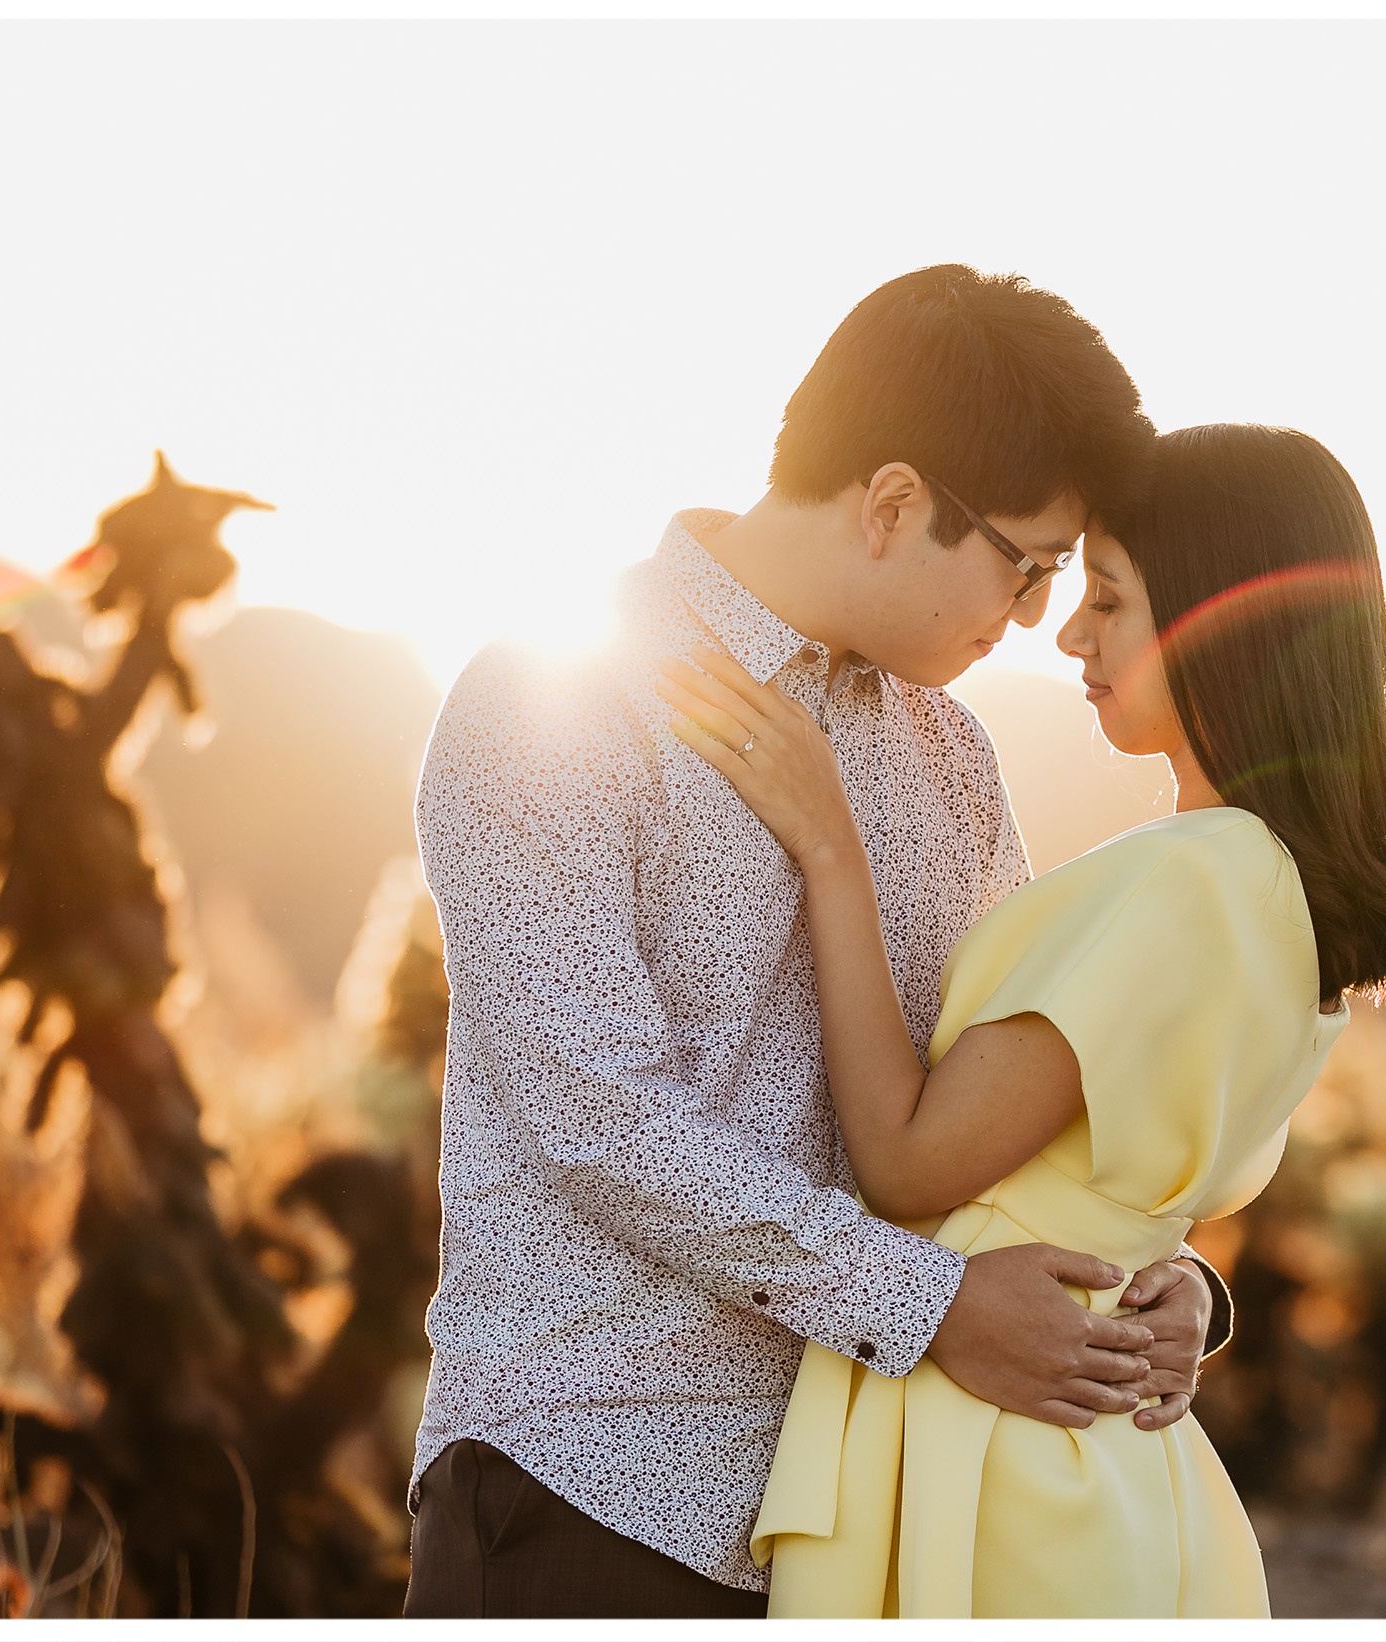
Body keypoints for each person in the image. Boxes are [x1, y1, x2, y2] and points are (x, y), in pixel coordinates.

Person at [401, 266, 1238, 1618]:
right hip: (591, 1501)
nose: (1032, 618)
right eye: (1025, 566)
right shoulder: (551, 696)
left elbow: (999, 1095)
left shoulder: (952, 756)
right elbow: (597, 1112)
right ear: (896, 503)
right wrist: (934, 1305)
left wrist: (1165, 1282)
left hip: (870, 1526)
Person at [655, 422, 1386, 1617]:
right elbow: (1099, 1164)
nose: (1067, 631)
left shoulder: (1195, 877)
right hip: (1079, 1430)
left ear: (1229, 623)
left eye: (1110, 600)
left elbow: (912, 1163)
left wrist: (827, 841)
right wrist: (1177, 1273)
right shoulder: (1265, 886)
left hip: (1004, 1448)